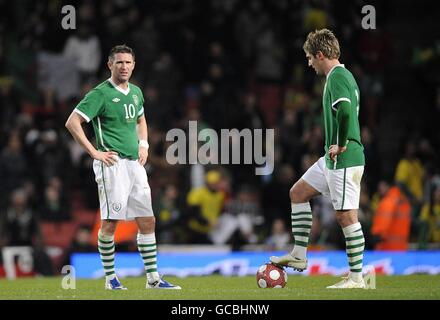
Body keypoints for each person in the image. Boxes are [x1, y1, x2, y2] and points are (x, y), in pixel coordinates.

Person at [65, 45, 180, 290]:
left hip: (135, 165)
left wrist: (144, 144)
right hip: (112, 165)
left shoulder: (136, 92)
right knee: (110, 223)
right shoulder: (101, 93)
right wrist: (94, 152)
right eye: (119, 63)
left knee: (148, 220)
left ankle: (153, 279)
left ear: (134, 65)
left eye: (128, 63)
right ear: (110, 65)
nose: (124, 67)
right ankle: (110, 279)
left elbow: (141, 119)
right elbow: (72, 122)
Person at [270, 29, 366, 289]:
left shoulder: (337, 77)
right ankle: (299, 255)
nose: (308, 63)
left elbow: (345, 111)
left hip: (344, 158)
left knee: (346, 216)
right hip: (331, 158)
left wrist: (342, 143)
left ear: (320, 55)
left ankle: (357, 278)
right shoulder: (341, 76)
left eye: (310, 58)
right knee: (298, 192)